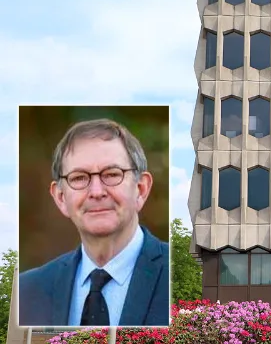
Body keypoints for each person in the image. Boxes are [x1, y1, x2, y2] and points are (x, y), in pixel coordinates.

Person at [19, 118, 169, 326]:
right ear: (61, 198)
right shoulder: (26, 292)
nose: (97, 192)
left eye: (112, 174)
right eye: (79, 178)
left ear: (141, 189)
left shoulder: (183, 275)